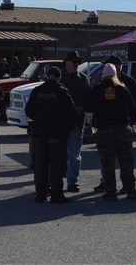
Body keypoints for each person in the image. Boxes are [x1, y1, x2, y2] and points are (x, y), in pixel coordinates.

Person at [84, 63, 136, 201]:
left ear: (103, 75)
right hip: (122, 129)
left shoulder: (96, 89)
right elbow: (133, 107)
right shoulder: (123, 88)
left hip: (103, 130)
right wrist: (129, 123)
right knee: (126, 161)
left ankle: (110, 192)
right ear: (115, 74)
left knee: (108, 163)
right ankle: (130, 189)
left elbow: (87, 107)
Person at [25, 66, 77, 204]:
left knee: (41, 164)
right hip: (58, 133)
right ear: (59, 77)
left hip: (40, 133)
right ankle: (56, 194)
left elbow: (28, 110)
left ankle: (41, 194)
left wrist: (38, 119)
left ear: (47, 76)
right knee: (56, 164)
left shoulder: (37, 91)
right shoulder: (62, 91)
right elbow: (72, 112)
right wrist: (67, 127)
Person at [59, 51, 89, 193]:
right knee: (55, 154)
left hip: (76, 122)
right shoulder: (58, 77)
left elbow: (89, 101)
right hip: (58, 123)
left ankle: (73, 182)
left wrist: (81, 109)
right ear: (66, 62)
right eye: (74, 61)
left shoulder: (83, 79)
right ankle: (53, 182)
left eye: (78, 62)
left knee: (74, 155)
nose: (76, 64)